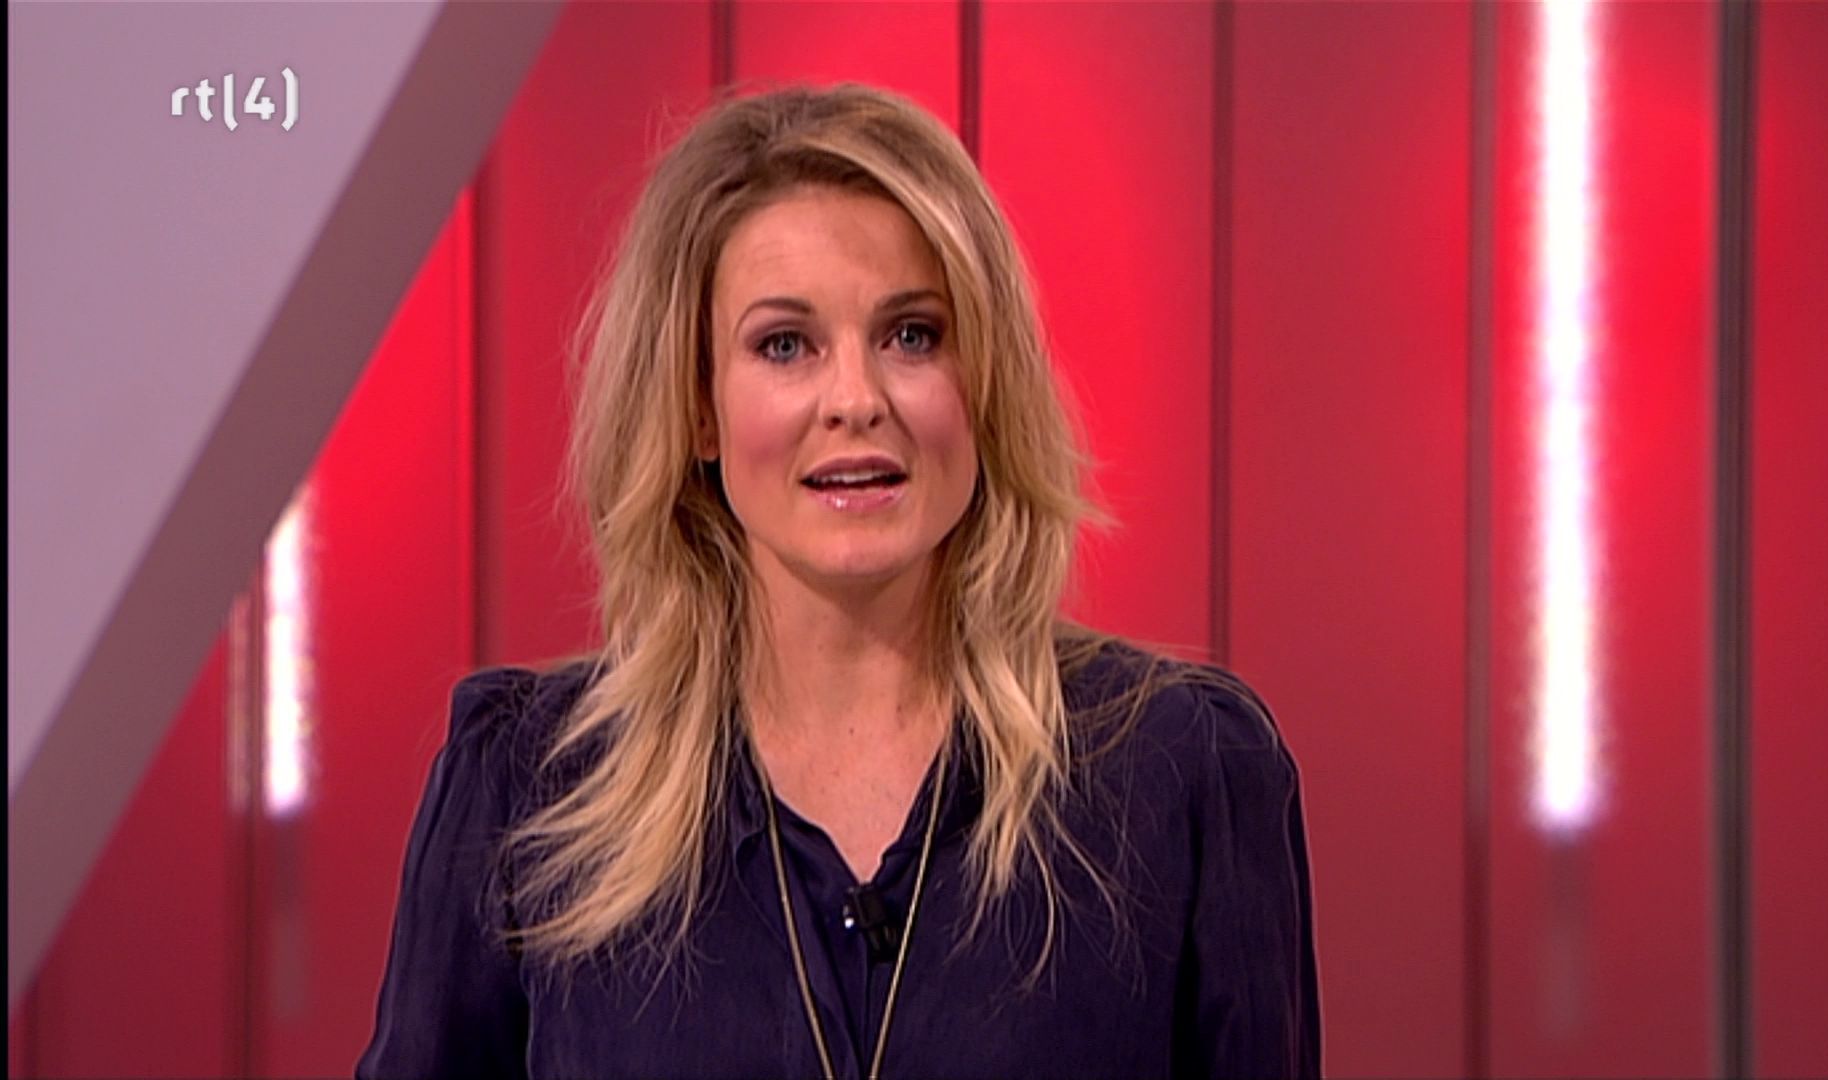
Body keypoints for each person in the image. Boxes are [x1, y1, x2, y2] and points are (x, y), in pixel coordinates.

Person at [358, 83, 1320, 1080]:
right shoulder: (528, 789)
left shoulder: (1182, 774)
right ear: (699, 410)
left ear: (984, 383)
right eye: (785, 345)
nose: (856, 400)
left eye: (914, 336)